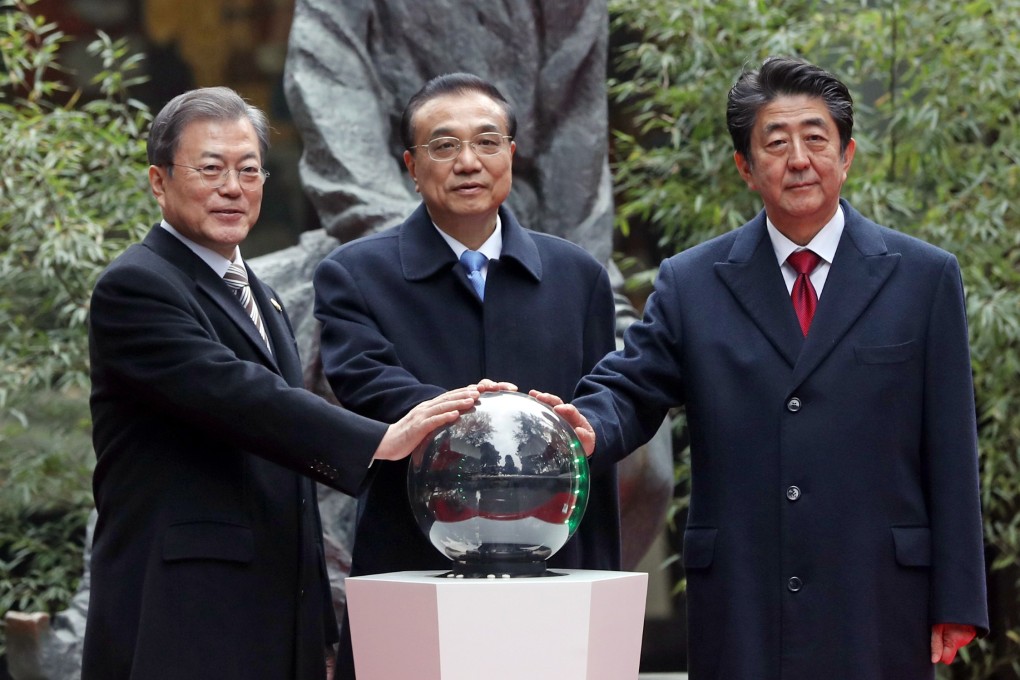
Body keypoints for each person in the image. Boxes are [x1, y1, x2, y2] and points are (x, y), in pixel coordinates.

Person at [555, 57, 989, 679]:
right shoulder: (692, 281)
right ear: (745, 167)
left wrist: (958, 598)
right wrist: (588, 424)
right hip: (744, 588)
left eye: (816, 138)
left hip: (877, 589)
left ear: (848, 155)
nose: (798, 159)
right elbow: (630, 383)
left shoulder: (924, 277)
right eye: (775, 142)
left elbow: (951, 445)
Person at [82, 86, 482, 680]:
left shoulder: (260, 296)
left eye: (248, 170)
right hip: (183, 609)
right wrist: (380, 438)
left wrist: (318, 620)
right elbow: (239, 396)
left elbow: (285, 472)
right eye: (210, 168)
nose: (232, 187)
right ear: (159, 181)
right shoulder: (137, 286)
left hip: (271, 608)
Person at [312, 72, 618, 678]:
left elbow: (601, 397)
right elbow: (366, 381)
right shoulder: (355, 274)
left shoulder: (576, 274)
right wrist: (483, 423)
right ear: (411, 164)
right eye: (443, 145)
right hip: (414, 554)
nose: (467, 162)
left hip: (550, 555)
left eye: (486, 141)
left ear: (512, 152)